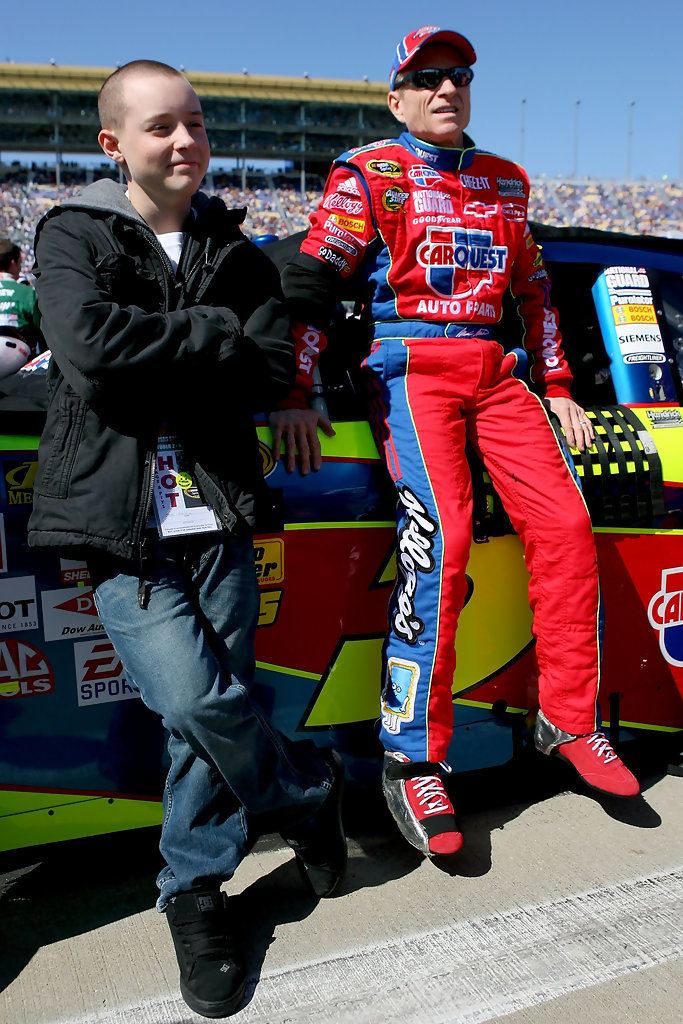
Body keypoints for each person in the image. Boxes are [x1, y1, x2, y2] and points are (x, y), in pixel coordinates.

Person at [270, 25, 640, 862]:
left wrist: (556, 388)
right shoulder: (369, 172)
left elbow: (538, 294)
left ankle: (569, 720)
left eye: (459, 76)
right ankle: (413, 755)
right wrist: (293, 390)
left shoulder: (506, 183)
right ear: (395, 97)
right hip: (409, 369)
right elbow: (311, 286)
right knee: (442, 549)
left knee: (568, 531)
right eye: (426, 78)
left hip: (496, 374)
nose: (446, 89)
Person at [28, 60, 346, 1020]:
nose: (185, 143)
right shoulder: (71, 230)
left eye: (197, 125)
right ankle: (297, 794)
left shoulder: (237, 248)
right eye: (162, 127)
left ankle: (195, 893)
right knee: (198, 697)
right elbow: (84, 348)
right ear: (112, 143)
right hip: (117, 523)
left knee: (196, 722)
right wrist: (208, 333)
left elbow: (259, 365)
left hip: (220, 515)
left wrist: (177, 347)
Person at [0, 239, 43, 378]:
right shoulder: (26, 293)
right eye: (20, 262)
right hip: (16, 359)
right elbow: (43, 329)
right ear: (13, 262)